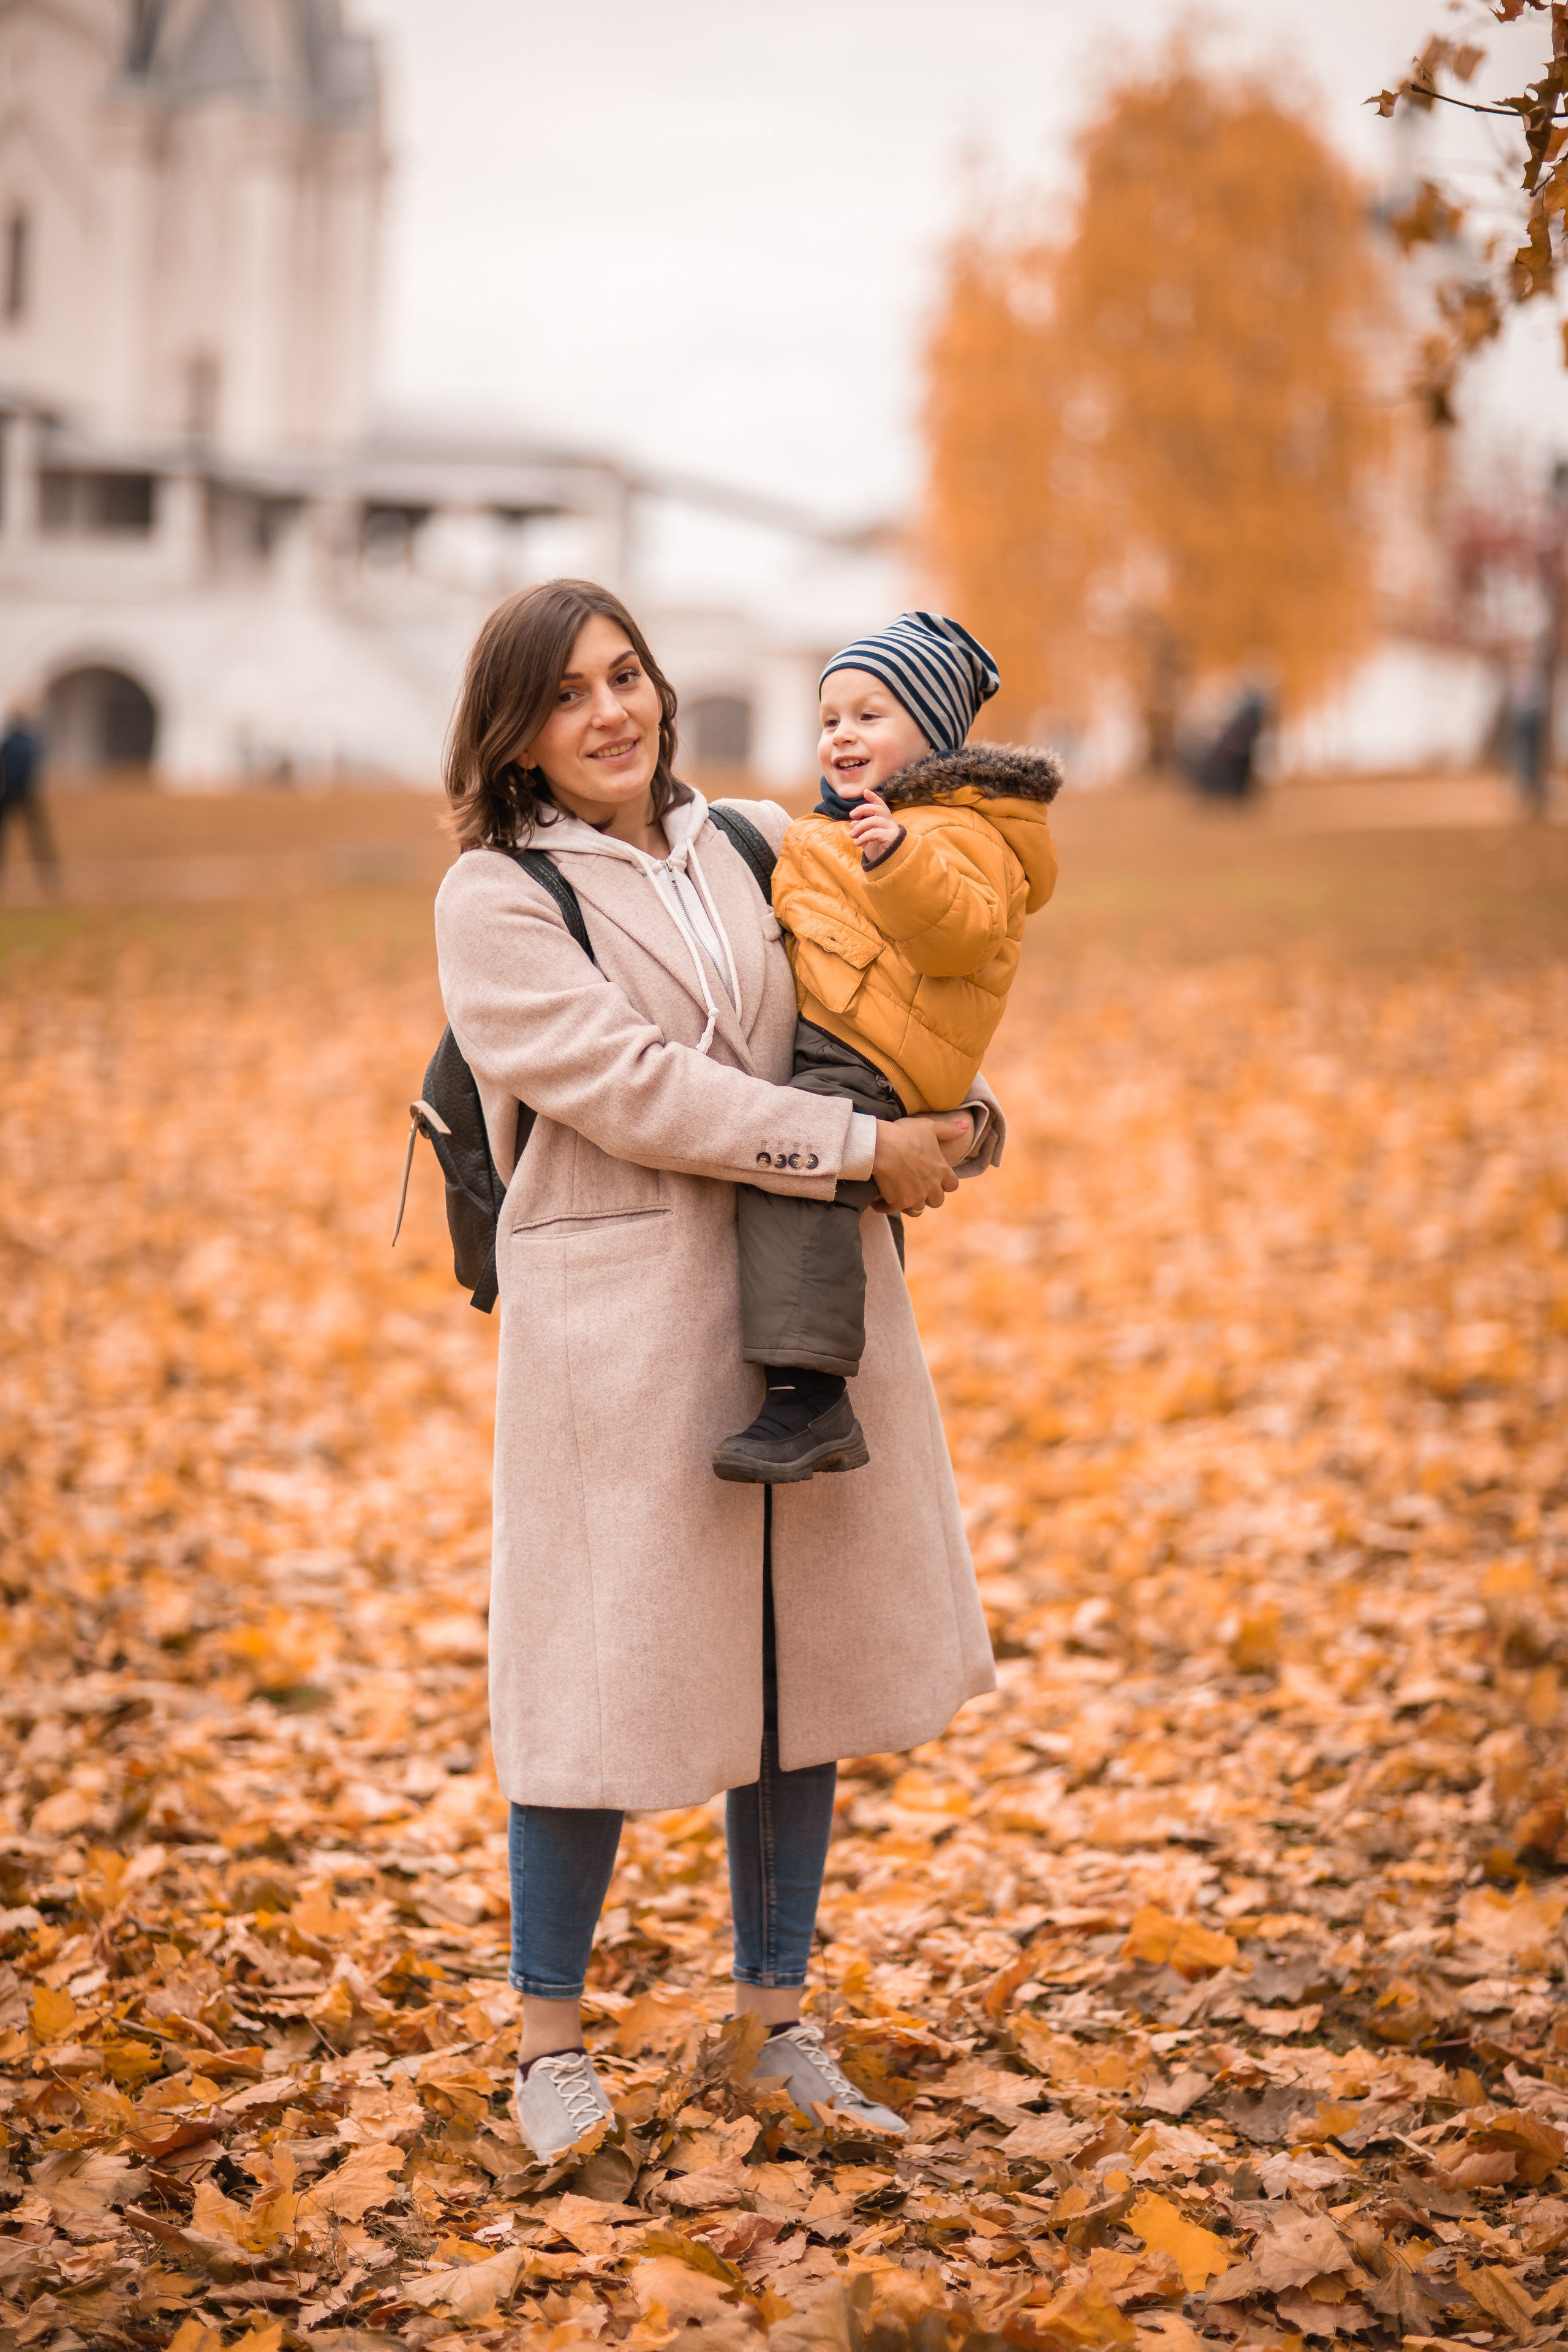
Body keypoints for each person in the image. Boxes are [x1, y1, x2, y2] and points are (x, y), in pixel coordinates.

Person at [433, 580, 1002, 2163]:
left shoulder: (756, 840)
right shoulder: (494, 898)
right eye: (567, 694)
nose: (610, 712)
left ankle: (772, 2025)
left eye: (626, 675)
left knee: (791, 1661)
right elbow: (630, 1085)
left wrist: (957, 1118)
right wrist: (858, 1151)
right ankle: (549, 2045)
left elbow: (885, 1002)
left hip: (800, 1310)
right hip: (617, 1327)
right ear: (516, 733)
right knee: (591, 1673)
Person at [715, 612, 1060, 1483]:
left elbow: (959, 939)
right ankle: (804, 1387)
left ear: (934, 733)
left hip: (880, 1054)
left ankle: (809, 1396)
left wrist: (899, 861)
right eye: (830, 719)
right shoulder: (849, 825)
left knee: (799, 1171)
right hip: (857, 1031)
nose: (842, 735)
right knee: (803, 1160)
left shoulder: (956, 833)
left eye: (870, 716)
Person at [0, 703, 59, 890]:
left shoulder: (10, 742)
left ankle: (48, 872)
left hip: (9, 792)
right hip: (25, 792)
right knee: (38, 836)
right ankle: (49, 873)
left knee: (9, 835)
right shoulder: (30, 743)